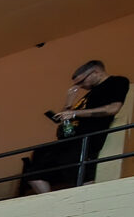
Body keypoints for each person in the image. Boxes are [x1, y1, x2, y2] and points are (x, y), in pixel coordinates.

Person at [27, 60, 129, 193]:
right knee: (35, 168)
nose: (81, 86)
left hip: (87, 138)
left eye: (82, 82)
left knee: (81, 174)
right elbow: (65, 118)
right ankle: (50, 202)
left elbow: (112, 108)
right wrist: (69, 102)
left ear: (95, 72)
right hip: (70, 139)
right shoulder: (89, 94)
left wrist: (75, 113)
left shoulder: (116, 82)